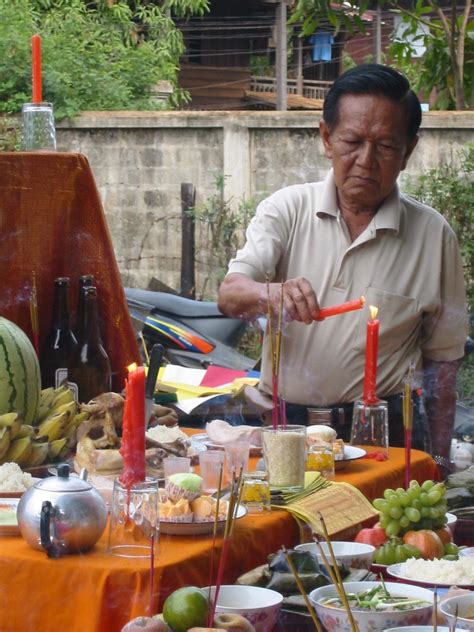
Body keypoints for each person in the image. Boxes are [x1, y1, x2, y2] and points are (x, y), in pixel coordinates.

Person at [217, 64, 468, 464]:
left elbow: (445, 365)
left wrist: (438, 463)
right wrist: (272, 293)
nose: (366, 160)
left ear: (409, 151)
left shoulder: (433, 235)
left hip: (384, 437)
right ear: (326, 138)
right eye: (352, 141)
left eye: (386, 146)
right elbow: (230, 295)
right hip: (290, 431)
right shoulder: (288, 209)